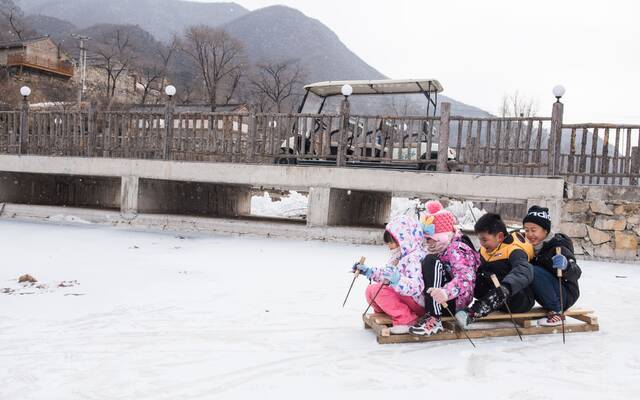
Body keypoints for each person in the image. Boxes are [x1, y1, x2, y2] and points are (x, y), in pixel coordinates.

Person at [408, 201, 481, 336]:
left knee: (431, 261)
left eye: (431, 239)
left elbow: (466, 278)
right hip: (440, 296)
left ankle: (434, 318)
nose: (427, 243)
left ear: (443, 236)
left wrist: (446, 292)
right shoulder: (441, 247)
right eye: (426, 239)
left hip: (453, 300)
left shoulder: (457, 249)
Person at [455, 213, 535, 328]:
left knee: (495, 276)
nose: (482, 244)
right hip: (494, 295)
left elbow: (524, 270)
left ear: (500, 237)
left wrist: (506, 288)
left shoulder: (514, 250)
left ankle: (472, 313)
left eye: (484, 240)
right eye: (480, 240)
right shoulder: (484, 250)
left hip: (517, 298)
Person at [353, 215, 426, 334]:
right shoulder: (398, 255)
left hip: (417, 301)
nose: (389, 246)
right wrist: (370, 272)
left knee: (379, 290)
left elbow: (417, 287)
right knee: (370, 291)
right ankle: (391, 312)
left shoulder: (414, 259)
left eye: (391, 242)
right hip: (405, 297)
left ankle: (406, 320)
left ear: (404, 240)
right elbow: (387, 275)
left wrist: (398, 280)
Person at [523, 205, 582, 326]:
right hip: (546, 293)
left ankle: (557, 312)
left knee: (532, 270)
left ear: (545, 230)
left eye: (534, 230)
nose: (529, 234)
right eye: (526, 230)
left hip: (564, 294)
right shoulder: (527, 247)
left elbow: (577, 272)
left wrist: (566, 266)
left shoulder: (558, 245)